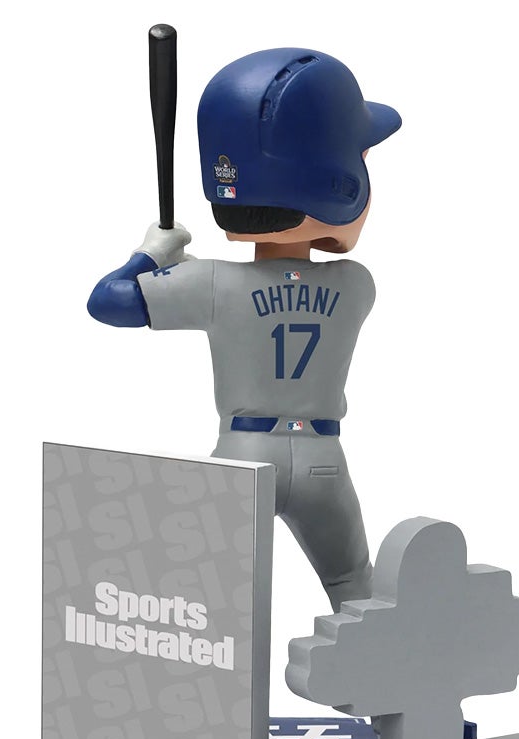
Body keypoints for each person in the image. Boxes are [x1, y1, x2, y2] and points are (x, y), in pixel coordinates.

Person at [88, 48, 401, 611]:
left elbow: (107, 302)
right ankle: (376, 669)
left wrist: (151, 256)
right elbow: (292, 287)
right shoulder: (357, 284)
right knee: (354, 587)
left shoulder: (212, 282)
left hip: (244, 453)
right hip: (324, 458)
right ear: (339, 184)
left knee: (207, 602)